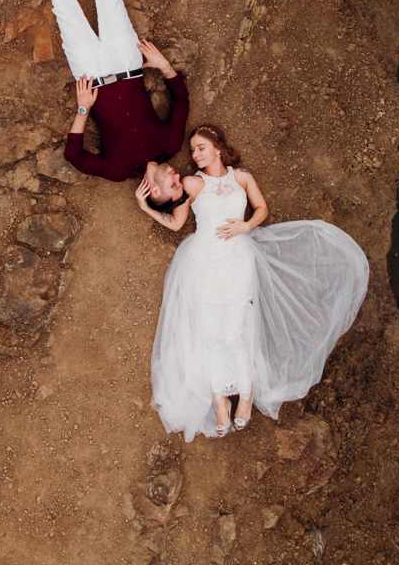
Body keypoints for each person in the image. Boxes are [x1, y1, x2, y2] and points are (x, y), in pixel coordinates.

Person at [135, 125, 370, 440]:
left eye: (201, 147)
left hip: (238, 259)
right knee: (210, 331)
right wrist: (146, 206)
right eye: (192, 150)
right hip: (203, 261)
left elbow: (262, 209)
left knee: (238, 328)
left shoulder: (242, 177)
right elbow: (177, 222)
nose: (195, 154)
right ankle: (221, 404)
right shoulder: (193, 182)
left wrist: (245, 226)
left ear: (217, 148)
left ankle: (245, 397)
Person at [10, 0, 188, 209]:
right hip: (128, 63)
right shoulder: (172, 143)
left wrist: (83, 109)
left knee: (63, 4)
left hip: (90, 75)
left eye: (174, 186)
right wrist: (163, 66)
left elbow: (74, 156)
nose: (178, 176)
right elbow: (180, 100)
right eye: (181, 182)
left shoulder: (118, 170)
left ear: (155, 193)